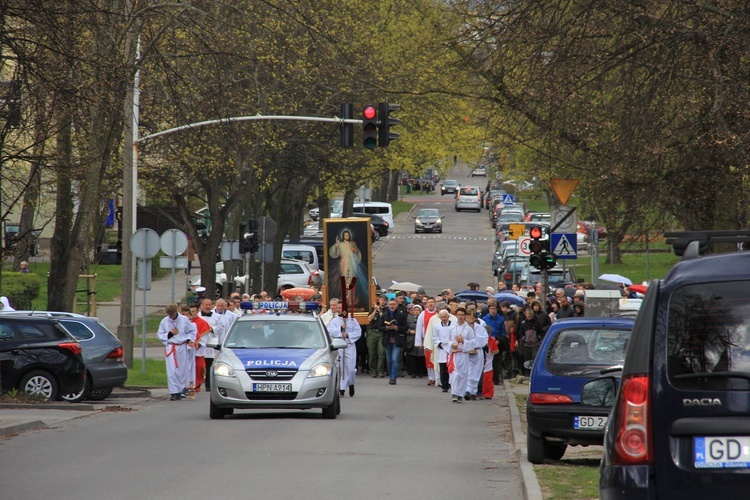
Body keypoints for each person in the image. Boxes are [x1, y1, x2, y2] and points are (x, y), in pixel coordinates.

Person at [157, 304, 196, 400]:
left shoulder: (184, 319)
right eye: (169, 315)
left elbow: (192, 331)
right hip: (171, 347)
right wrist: (170, 334)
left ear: (176, 312)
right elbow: (160, 334)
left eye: (172, 314)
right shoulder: (164, 321)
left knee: (182, 371)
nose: (171, 316)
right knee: (172, 371)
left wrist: (189, 339)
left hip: (182, 347)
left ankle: (180, 390)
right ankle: (174, 392)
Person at [328, 228, 367, 307]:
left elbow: (358, 253)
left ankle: (351, 298)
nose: (346, 236)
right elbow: (335, 253)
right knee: (344, 281)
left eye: (347, 235)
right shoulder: (341, 244)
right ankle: (344, 297)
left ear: (349, 235)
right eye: (345, 235)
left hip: (351, 264)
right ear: (343, 236)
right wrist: (336, 246)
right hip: (344, 264)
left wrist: (355, 250)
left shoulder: (352, 243)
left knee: (351, 280)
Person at [327, 310, 362, 397]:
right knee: (340, 367)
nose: (340, 310)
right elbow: (330, 331)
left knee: (350, 368)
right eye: (338, 308)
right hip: (339, 345)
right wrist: (340, 329)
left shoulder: (353, 320)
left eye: (341, 307)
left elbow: (358, 332)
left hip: (349, 345)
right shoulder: (334, 320)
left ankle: (351, 383)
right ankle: (341, 387)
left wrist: (349, 335)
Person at [448, 307, 476, 403]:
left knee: (463, 375)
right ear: (456, 315)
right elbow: (445, 340)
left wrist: (463, 341)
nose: (460, 317)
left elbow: (473, 342)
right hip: (454, 354)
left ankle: (460, 395)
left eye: (462, 315)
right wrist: (452, 344)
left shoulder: (468, 329)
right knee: (454, 375)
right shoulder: (451, 327)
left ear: (465, 316)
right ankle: (454, 394)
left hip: (463, 354)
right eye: (458, 315)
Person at [378, 298, 408, 385]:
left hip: (397, 340)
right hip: (387, 339)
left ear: (397, 305)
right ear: (388, 305)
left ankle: (393, 377)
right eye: (390, 304)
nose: (392, 306)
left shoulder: (401, 315)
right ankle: (390, 374)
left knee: (395, 358)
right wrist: (386, 328)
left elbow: (405, 328)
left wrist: (396, 328)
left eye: (394, 304)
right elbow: (379, 327)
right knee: (389, 359)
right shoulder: (384, 315)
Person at [415, 297, 439, 385]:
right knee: (428, 358)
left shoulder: (438, 313)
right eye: (429, 302)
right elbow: (419, 327)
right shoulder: (423, 314)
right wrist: (419, 342)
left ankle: (437, 377)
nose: (430, 304)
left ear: (435, 303)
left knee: (436, 358)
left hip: (437, 340)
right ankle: (431, 378)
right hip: (427, 339)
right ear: (426, 304)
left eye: (432, 302)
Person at [482, 301, 507, 384]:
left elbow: (503, 332)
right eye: (491, 308)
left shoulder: (500, 319)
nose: (493, 310)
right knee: (487, 361)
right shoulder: (485, 319)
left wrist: (498, 340)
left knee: (496, 362)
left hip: (497, 342)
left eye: (494, 309)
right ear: (489, 310)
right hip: (487, 342)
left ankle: (495, 379)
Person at [188, 303, 210, 391]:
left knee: (199, 367)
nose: (192, 313)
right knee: (189, 368)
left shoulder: (202, 322)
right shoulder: (186, 322)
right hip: (188, 349)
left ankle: (197, 384)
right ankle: (190, 384)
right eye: (190, 311)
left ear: (197, 312)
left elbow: (205, 337)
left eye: (193, 311)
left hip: (198, 350)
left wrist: (198, 345)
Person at [433, 309, 455, 393]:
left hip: (450, 349)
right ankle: (444, 385)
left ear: (448, 317)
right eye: (442, 317)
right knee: (443, 369)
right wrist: (439, 344)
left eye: (445, 317)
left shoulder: (453, 326)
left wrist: (450, 345)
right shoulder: (437, 326)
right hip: (442, 349)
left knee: (451, 368)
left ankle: (452, 384)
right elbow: (435, 337)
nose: (443, 318)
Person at [366, 294, 387, 378]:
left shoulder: (386, 310)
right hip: (372, 332)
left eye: (384, 300)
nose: (383, 301)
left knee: (381, 352)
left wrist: (380, 311)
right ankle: (373, 370)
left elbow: (385, 320)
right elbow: (369, 319)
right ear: (379, 300)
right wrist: (375, 310)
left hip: (381, 332)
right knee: (372, 352)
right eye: (381, 300)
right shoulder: (372, 309)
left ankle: (380, 371)